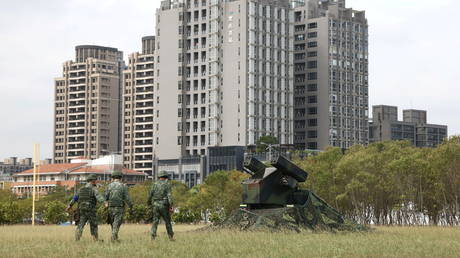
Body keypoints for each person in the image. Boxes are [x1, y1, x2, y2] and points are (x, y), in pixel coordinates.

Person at [66, 174, 105, 241]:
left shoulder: (81, 189)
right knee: (93, 224)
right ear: (93, 181)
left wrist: (69, 206)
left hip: (82, 209)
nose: (96, 181)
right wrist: (105, 202)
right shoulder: (94, 189)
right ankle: (95, 239)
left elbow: (75, 198)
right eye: (96, 180)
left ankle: (77, 239)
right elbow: (99, 197)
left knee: (81, 224)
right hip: (91, 210)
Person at [104, 170, 133, 242]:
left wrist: (105, 204)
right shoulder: (123, 186)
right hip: (119, 208)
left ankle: (115, 238)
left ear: (112, 177)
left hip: (110, 207)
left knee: (113, 224)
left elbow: (105, 197)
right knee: (116, 224)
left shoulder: (109, 186)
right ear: (121, 177)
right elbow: (127, 198)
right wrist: (131, 206)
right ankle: (113, 238)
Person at [148, 171, 174, 241]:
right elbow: (169, 196)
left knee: (155, 221)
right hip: (164, 205)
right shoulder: (167, 184)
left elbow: (150, 195)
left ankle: (152, 237)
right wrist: (171, 205)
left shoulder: (154, 184)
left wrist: (149, 204)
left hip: (155, 205)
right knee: (167, 221)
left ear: (159, 177)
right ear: (165, 177)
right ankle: (171, 237)